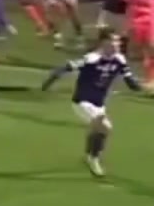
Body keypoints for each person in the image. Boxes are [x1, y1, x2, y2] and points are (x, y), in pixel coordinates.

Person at [42, 28, 142, 178]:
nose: (118, 43)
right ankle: (93, 159)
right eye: (114, 40)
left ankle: (89, 153)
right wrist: (49, 82)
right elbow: (67, 67)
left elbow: (130, 80)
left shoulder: (120, 59)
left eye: (118, 40)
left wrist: (138, 86)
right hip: (82, 101)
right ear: (104, 42)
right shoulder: (92, 58)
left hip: (99, 104)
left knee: (98, 129)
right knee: (105, 126)